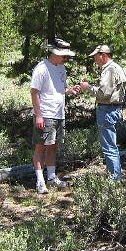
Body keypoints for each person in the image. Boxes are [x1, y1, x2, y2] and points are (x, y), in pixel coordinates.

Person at [31, 38, 80, 194]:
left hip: (59, 114)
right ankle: (40, 181)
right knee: (40, 147)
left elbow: (62, 89)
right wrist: (39, 115)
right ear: (55, 53)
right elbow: (34, 92)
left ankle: (51, 177)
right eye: (64, 56)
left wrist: (71, 90)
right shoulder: (41, 68)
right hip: (45, 114)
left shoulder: (61, 68)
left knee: (53, 146)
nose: (66, 59)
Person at [80, 44, 126, 181]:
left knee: (109, 147)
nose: (95, 60)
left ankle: (114, 180)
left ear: (103, 55)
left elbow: (104, 94)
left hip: (107, 110)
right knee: (111, 146)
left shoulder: (110, 69)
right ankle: (114, 177)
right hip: (112, 110)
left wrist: (87, 87)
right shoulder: (115, 67)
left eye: (96, 57)